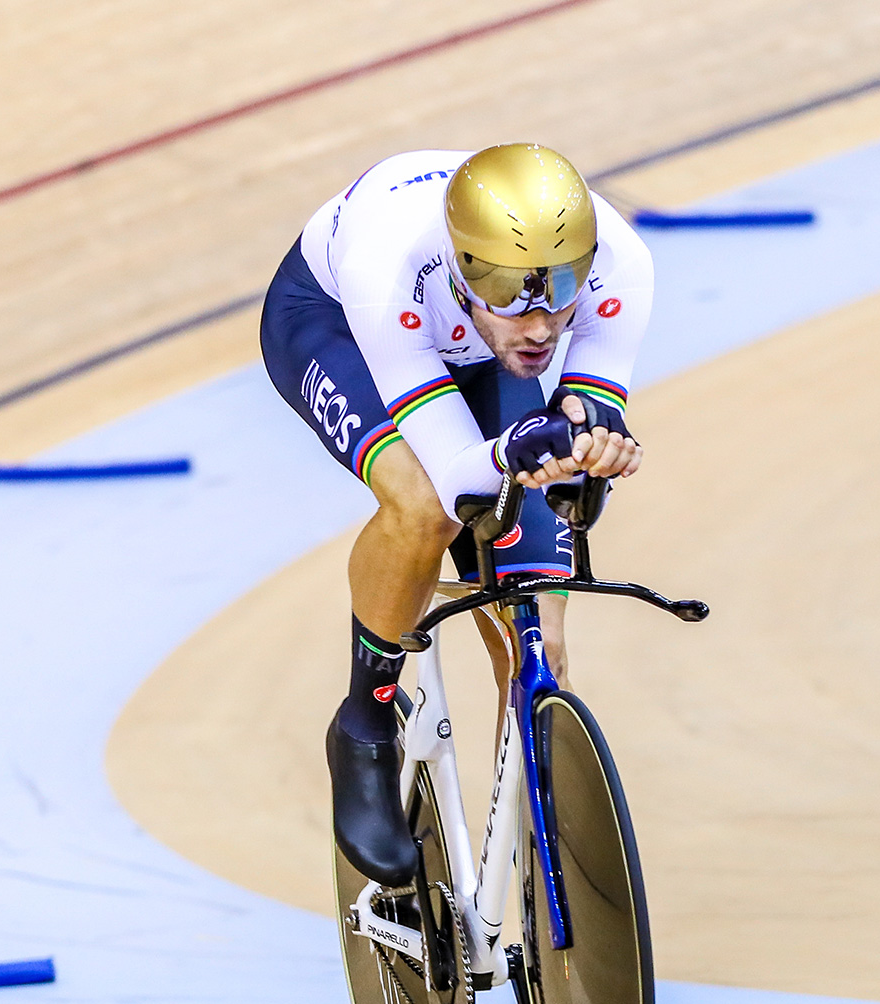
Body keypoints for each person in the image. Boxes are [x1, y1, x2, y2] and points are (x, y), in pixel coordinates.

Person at [260, 143, 653, 887]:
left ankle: (534, 875)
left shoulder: (624, 262)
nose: (539, 325)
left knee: (542, 643)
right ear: (462, 269)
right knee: (425, 509)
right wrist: (530, 446)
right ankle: (364, 726)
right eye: (508, 293)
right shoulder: (392, 269)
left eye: (559, 289)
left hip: (475, 360)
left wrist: (591, 447)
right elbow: (458, 480)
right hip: (342, 325)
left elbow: (585, 406)